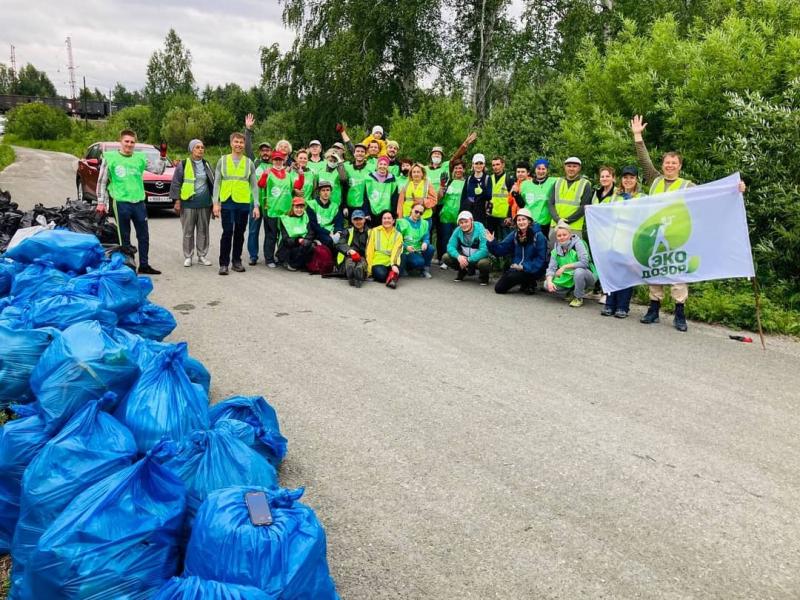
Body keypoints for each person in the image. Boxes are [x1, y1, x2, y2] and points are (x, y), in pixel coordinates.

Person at [631, 114, 745, 331]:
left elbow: (711, 196)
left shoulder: (688, 186)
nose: (670, 166)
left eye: (674, 163)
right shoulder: (654, 179)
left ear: (680, 166)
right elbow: (644, 160)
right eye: (667, 162)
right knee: (655, 272)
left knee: (677, 275)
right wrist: (638, 137)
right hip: (655, 235)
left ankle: (679, 314)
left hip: (679, 237)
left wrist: (734, 189)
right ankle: (653, 310)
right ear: (662, 165)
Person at [96, 128, 168, 275]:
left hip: (139, 202)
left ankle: (144, 265)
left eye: (132, 142)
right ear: (120, 142)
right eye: (126, 141)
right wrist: (100, 202)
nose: (129, 145)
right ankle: (127, 266)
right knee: (124, 236)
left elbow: (158, 171)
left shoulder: (140, 158)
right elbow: (102, 182)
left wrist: (162, 155)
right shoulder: (110, 158)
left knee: (144, 235)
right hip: (121, 202)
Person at [212, 132, 259, 275]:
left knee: (240, 232)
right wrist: (215, 203)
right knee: (227, 232)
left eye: (241, 142)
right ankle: (223, 264)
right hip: (227, 201)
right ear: (231, 143)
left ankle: (236, 261)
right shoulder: (223, 160)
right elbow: (217, 183)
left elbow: (254, 186)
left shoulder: (249, 163)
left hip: (243, 202)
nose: (238, 144)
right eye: (236, 142)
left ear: (244, 145)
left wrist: (256, 205)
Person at [601, 166, 644, 318]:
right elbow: (607, 215)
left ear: (636, 179)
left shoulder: (642, 198)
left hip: (631, 241)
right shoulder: (615, 196)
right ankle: (609, 303)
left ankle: (623, 306)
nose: (628, 180)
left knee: (626, 273)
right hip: (615, 239)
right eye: (625, 177)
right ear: (621, 180)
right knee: (612, 272)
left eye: (631, 177)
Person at [256, 150, 305, 267]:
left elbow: (298, 186)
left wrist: (301, 175)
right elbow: (261, 185)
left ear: (283, 161)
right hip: (271, 210)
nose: (278, 162)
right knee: (271, 236)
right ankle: (269, 259)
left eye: (280, 160)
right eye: (276, 160)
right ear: (273, 160)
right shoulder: (268, 173)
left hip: (286, 212)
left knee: (284, 237)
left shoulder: (288, 175)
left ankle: (281, 257)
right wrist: (264, 175)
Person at [169, 138, 214, 267]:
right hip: (188, 203)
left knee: (203, 231)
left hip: (205, 204)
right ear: (191, 149)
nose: (200, 150)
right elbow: (176, 183)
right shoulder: (183, 164)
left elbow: (212, 182)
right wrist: (177, 201)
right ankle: (188, 256)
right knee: (188, 231)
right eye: (197, 147)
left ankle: (202, 256)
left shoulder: (207, 164)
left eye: (202, 147)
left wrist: (216, 202)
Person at [486, 208, 547, 294]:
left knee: (514, 277)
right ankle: (525, 283)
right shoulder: (515, 234)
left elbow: (541, 259)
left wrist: (524, 267)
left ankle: (530, 282)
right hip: (516, 268)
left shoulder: (538, 235)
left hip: (534, 268)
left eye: (524, 219)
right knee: (499, 288)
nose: (521, 222)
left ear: (529, 221)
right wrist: (492, 242)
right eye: (518, 220)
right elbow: (501, 250)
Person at [544, 220, 597, 307]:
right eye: (559, 235)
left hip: (586, 275)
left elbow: (584, 263)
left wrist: (564, 267)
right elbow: (551, 269)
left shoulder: (578, 243)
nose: (562, 237)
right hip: (568, 278)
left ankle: (578, 297)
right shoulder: (555, 250)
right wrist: (550, 281)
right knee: (546, 284)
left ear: (570, 234)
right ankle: (570, 293)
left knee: (578, 272)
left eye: (564, 235)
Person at [276, 195, 332, 272]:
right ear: (292, 207)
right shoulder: (285, 218)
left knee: (311, 246)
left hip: (303, 243)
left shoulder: (306, 216)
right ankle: (291, 263)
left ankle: (301, 263)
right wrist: (298, 240)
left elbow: (310, 232)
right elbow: (286, 239)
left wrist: (306, 240)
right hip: (289, 246)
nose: (299, 210)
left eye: (301, 207)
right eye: (297, 207)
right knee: (303, 248)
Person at [547, 157, 593, 242]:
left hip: (574, 227)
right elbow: (550, 203)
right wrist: (558, 220)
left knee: (574, 253)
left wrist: (566, 221)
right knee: (554, 252)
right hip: (556, 225)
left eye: (574, 166)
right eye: (569, 166)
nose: (571, 169)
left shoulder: (585, 184)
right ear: (565, 167)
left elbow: (584, 207)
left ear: (579, 168)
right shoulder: (558, 182)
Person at [443, 211, 492, 285]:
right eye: (461, 223)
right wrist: (458, 256)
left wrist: (468, 259)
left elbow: (484, 250)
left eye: (466, 222)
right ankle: (462, 271)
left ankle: (484, 277)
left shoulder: (481, 230)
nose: (464, 225)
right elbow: (450, 246)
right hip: (464, 257)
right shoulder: (457, 230)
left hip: (479, 258)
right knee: (446, 257)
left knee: (484, 263)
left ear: (471, 220)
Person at [512, 158, 555, 238]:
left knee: (543, 246)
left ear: (547, 170)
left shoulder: (553, 182)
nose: (541, 171)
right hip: (529, 222)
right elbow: (522, 205)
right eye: (538, 168)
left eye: (543, 169)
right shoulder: (525, 184)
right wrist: (516, 194)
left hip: (545, 223)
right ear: (535, 169)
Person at [437, 159, 466, 267]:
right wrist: (441, 186)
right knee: (446, 237)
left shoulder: (467, 182)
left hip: (460, 214)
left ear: (464, 170)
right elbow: (439, 197)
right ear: (453, 170)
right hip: (447, 214)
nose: (458, 170)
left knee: (460, 238)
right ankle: (446, 260)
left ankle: (459, 259)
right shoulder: (448, 182)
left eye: (460, 168)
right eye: (456, 168)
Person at [366, 210, 403, 288]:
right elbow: (369, 250)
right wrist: (369, 269)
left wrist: (394, 264)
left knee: (397, 268)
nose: (386, 220)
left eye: (389, 218)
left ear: (393, 220)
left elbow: (396, 251)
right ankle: (392, 277)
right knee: (381, 276)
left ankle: (392, 276)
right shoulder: (374, 231)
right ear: (381, 220)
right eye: (384, 218)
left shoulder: (398, 235)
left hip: (391, 261)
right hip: (378, 261)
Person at [397, 203, 434, 278]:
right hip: (406, 250)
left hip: (418, 249)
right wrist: (406, 246)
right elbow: (397, 240)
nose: (418, 214)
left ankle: (425, 270)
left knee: (430, 248)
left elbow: (426, 237)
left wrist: (425, 243)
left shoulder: (424, 223)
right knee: (418, 262)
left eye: (421, 213)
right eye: (416, 211)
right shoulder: (402, 222)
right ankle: (406, 266)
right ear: (411, 210)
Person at [334, 209, 370, 287]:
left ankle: (357, 274)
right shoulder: (347, 231)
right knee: (350, 262)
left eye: (360, 219)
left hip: (363, 257)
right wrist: (350, 250)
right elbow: (340, 243)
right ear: (352, 221)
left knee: (361, 262)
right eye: (355, 219)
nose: (358, 221)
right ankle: (352, 273)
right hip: (349, 256)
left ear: (364, 220)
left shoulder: (370, 232)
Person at [486, 156, 515, 236]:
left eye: (497, 164)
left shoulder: (509, 179)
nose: (495, 167)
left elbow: (513, 200)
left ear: (503, 165)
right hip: (491, 216)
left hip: (504, 217)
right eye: (493, 165)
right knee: (491, 240)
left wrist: (510, 216)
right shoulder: (489, 178)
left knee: (505, 241)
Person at [364, 156, 399, 223]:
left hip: (386, 213)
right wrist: (366, 212)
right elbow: (366, 196)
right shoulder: (369, 178)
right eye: (380, 164)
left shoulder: (393, 180)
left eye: (385, 164)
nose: (382, 166)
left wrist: (393, 214)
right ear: (377, 165)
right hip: (372, 212)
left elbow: (394, 199)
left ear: (388, 166)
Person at [460, 154, 492, 225]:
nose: (478, 166)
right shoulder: (469, 179)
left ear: (484, 165)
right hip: (469, 212)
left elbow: (489, 196)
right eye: (476, 163)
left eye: (481, 163)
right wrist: (461, 212)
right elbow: (463, 197)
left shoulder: (487, 178)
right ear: (473, 165)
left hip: (481, 213)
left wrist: (482, 192)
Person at [316, 148, 348, 214]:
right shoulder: (320, 171)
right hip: (321, 204)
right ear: (327, 159)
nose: (332, 162)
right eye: (331, 160)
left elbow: (344, 179)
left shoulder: (340, 171)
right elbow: (316, 188)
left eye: (335, 161)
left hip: (336, 204)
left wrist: (339, 160)